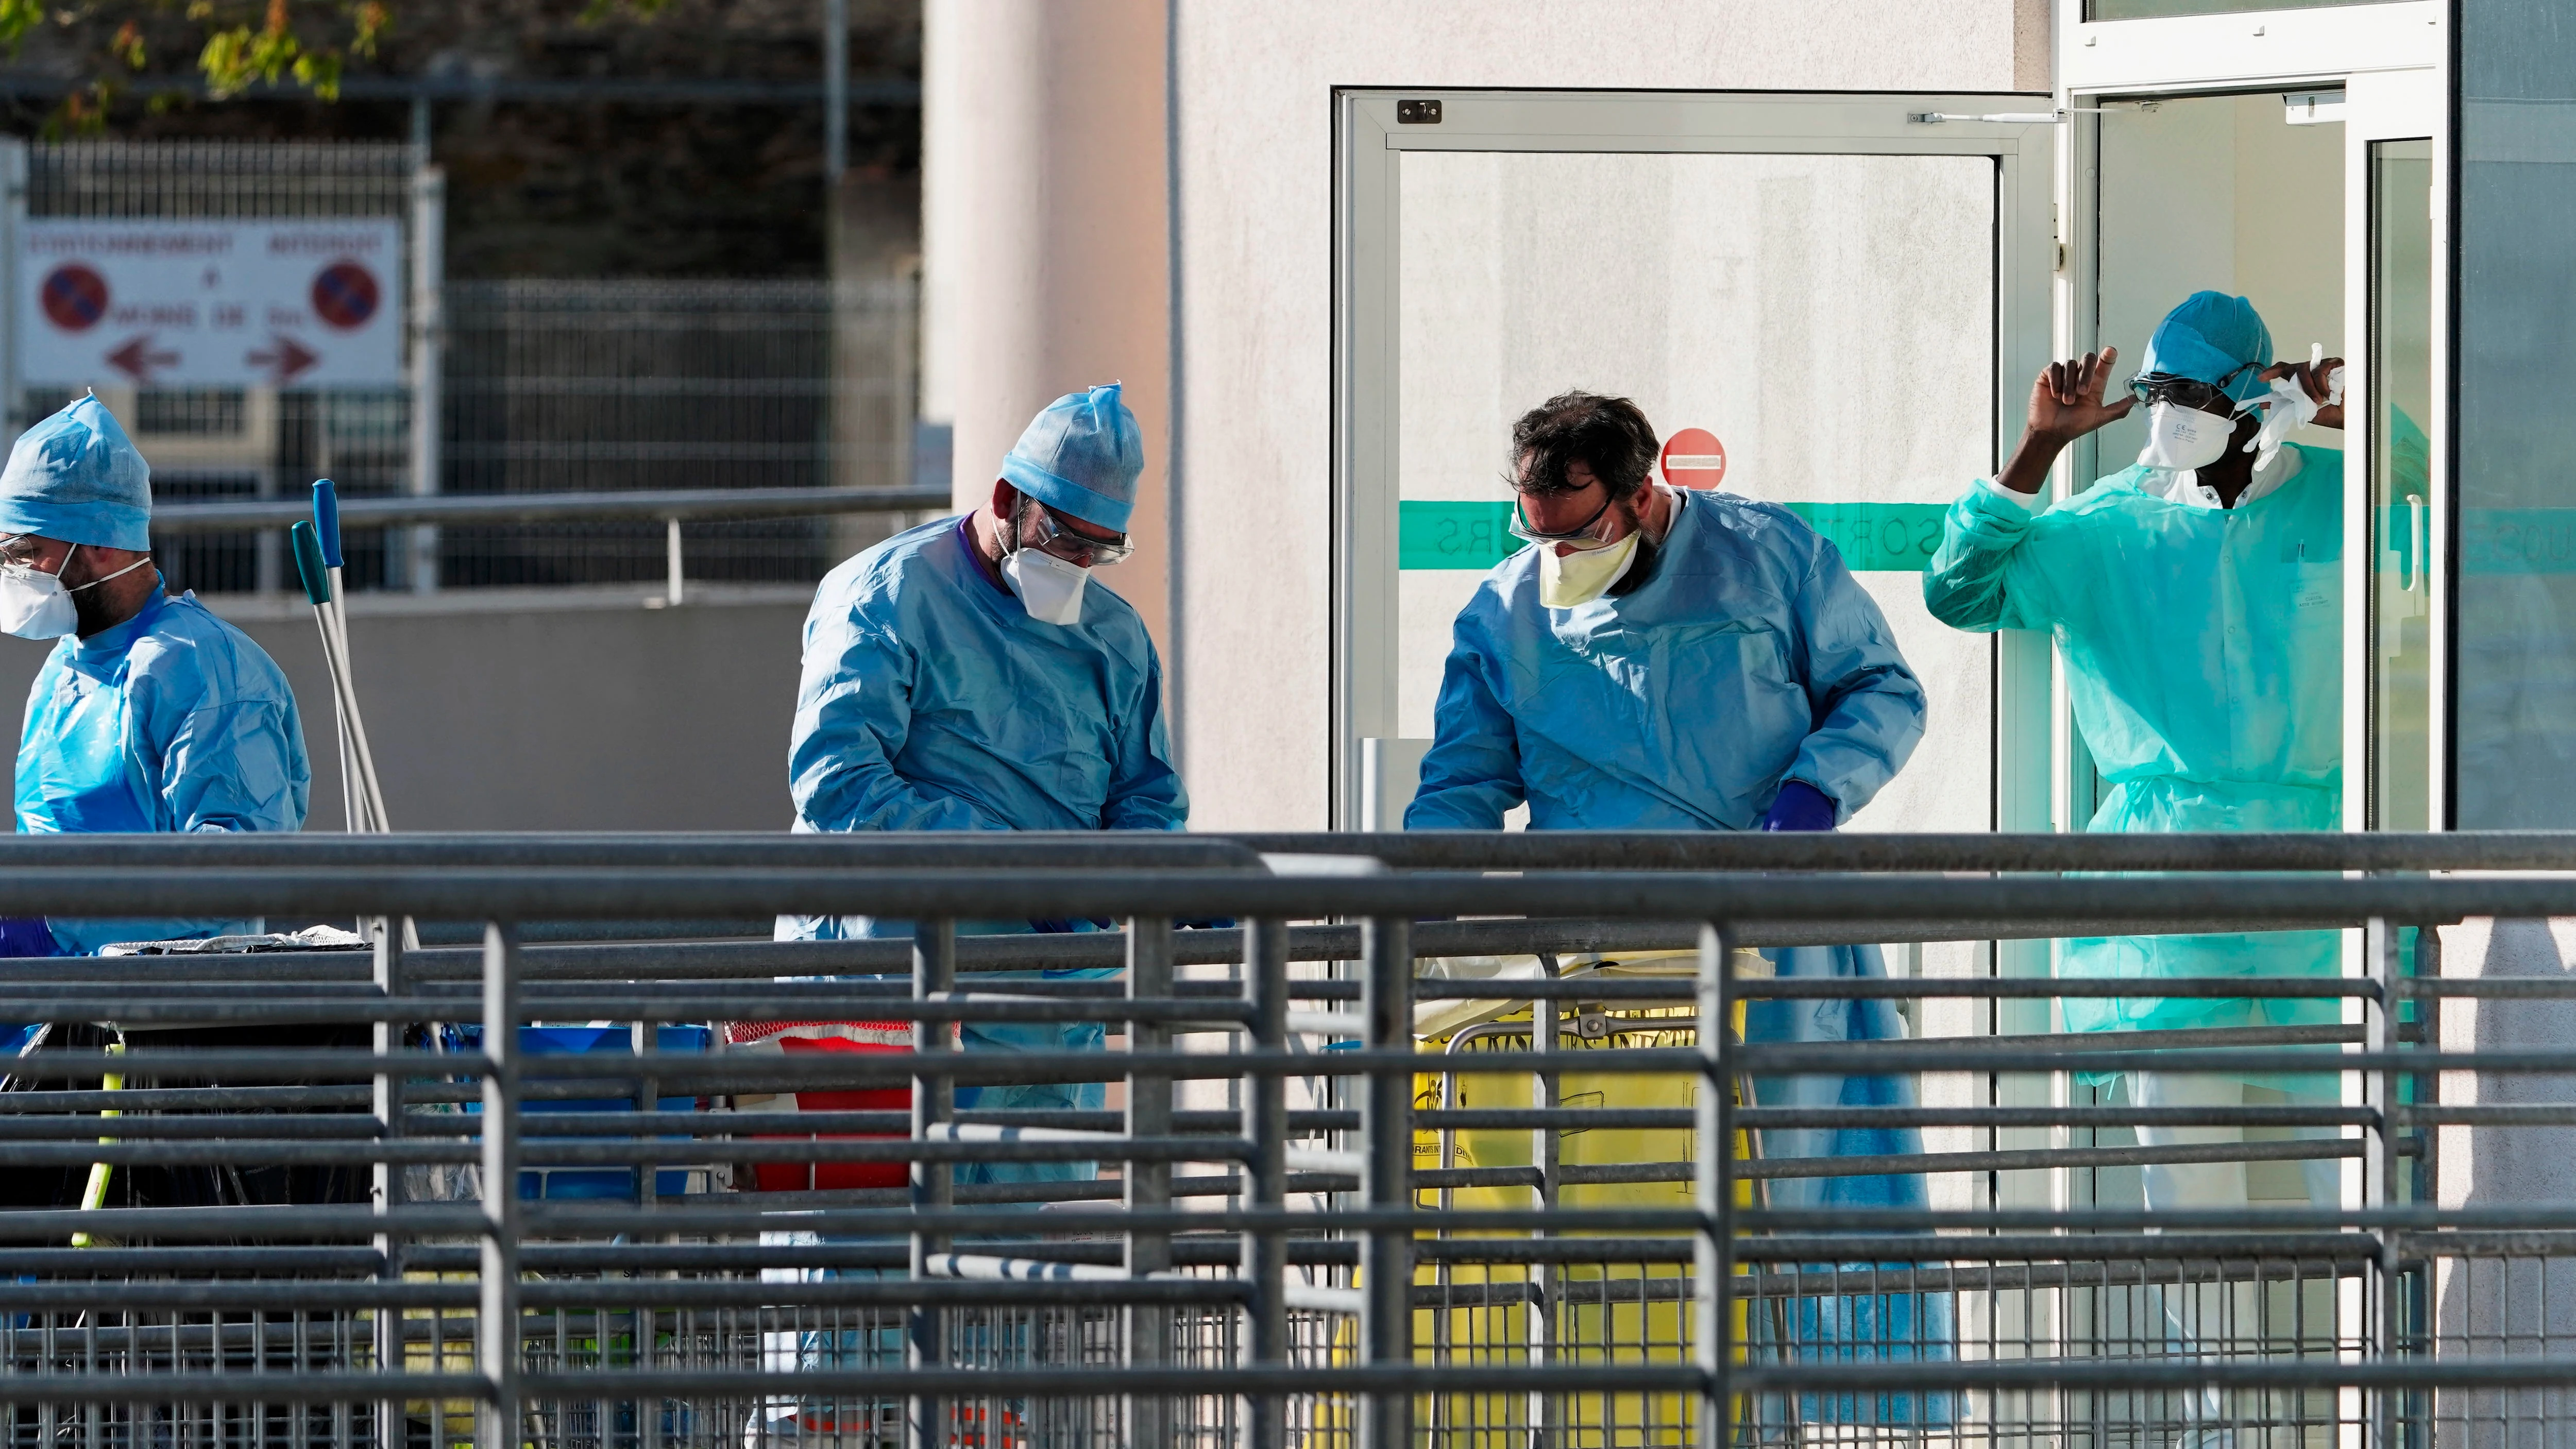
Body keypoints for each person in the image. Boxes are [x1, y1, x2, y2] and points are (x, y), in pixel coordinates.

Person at [1406, 390, 1941, 1414]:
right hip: (1587, 962)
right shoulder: (1506, 608)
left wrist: (1812, 789)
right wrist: (1416, 892)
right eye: (1536, 532)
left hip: (1771, 944)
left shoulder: (1766, 555)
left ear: (1644, 494)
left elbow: (1882, 686)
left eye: (1579, 529)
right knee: (1592, 1232)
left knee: (1763, 1224)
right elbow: (1464, 782)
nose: (1556, 555)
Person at [1923, 292, 2347, 1215]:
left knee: (2363, 1162)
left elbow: (2475, 519)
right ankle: (2211, 1369)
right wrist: (2039, 448)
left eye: (2192, 389)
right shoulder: (2110, 522)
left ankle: (2388, 1362)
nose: (2169, 409)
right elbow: (1959, 592)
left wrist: (2367, 417)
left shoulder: (2340, 504)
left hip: (2322, 865)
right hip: (2166, 875)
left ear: (2255, 393)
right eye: (2157, 388)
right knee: (2188, 1186)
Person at [777, 381, 1183, 1185]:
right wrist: (1024, 872)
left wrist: (1137, 882)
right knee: (866, 1262)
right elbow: (837, 783)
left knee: (1016, 1278)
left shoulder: (1116, 640)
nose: (1078, 567)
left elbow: (1147, 799)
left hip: (1045, 1003)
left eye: (1102, 552)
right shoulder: (885, 596)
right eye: (1066, 539)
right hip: (889, 980)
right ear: (1008, 499)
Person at [0, 395, 309, 957]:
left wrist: (54, 923)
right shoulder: (62, 670)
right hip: (62, 1012)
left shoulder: (206, 669)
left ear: (95, 541)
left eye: (27, 552)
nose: (14, 572)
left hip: (174, 1019)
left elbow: (234, 876)